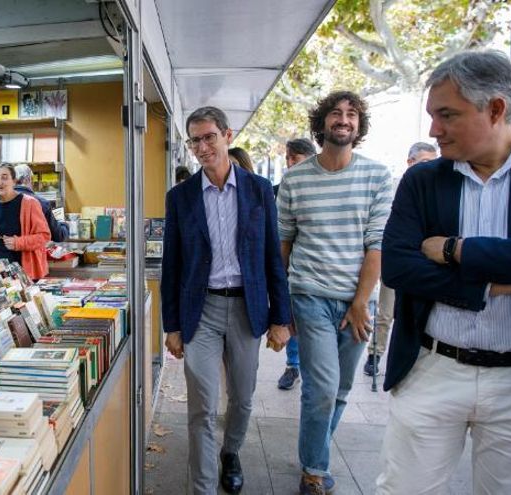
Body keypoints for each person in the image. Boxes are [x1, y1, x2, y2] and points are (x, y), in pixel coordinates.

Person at [377, 49, 511, 495]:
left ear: (495, 109)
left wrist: (455, 250)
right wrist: (490, 286)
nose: (433, 130)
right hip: (432, 369)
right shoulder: (422, 181)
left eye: (446, 115)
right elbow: (399, 267)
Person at [161, 106, 291, 494]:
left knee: (243, 397)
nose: (202, 147)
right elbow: (173, 264)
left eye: (209, 137)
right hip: (200, 311)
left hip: (247, 308)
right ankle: (202, 487)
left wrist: (281, 318)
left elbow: (272, 256)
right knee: (202, 403)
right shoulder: (180, 197)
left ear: (227, 135)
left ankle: (230, 451)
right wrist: (172, 326)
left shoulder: (259, 189)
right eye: (195, 140)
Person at [276, 90, 392, 495]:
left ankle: (315, 452)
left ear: (359, 126)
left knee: (341, 391)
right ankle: (314, 470)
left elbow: (376, 244)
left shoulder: (377, 177)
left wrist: (361, 303)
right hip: (309, 296)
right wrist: (282, 304)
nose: (344, 120)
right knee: (322, 388)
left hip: (358, 301)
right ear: (322, 122)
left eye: (352, 115)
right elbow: (284, 245)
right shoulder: (294, 178)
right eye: (336, 114)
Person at [363, 141, 437, 377]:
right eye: (425, 162)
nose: (429, 168)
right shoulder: (393, 188)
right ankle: (375, 354)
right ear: (410, 162)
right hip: (393, 261)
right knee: (385, 311)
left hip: (424, 264)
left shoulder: (434, 192)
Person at [276, 137, 317, 390]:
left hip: (316, 275)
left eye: (295, 158)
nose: (290, 163)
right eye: (288, 159)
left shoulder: (321, 189)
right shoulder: (280, 189)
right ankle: (293, 365)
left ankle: (308, 367)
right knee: (291, 317)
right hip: (290, 270)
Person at [0, 164, 51, 280]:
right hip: (0, 276)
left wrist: (18, 242)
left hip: (26, 275)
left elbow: (44, 237)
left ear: (14, 181)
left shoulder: (30, 203)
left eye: (4, 177)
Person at [13, 164, 69, 242]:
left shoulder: (0, 202)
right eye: (32, 180)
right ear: (27, 180)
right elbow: (59, 236)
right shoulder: (41, 203)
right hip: (33, 252)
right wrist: (64, 224)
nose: (32, 183)